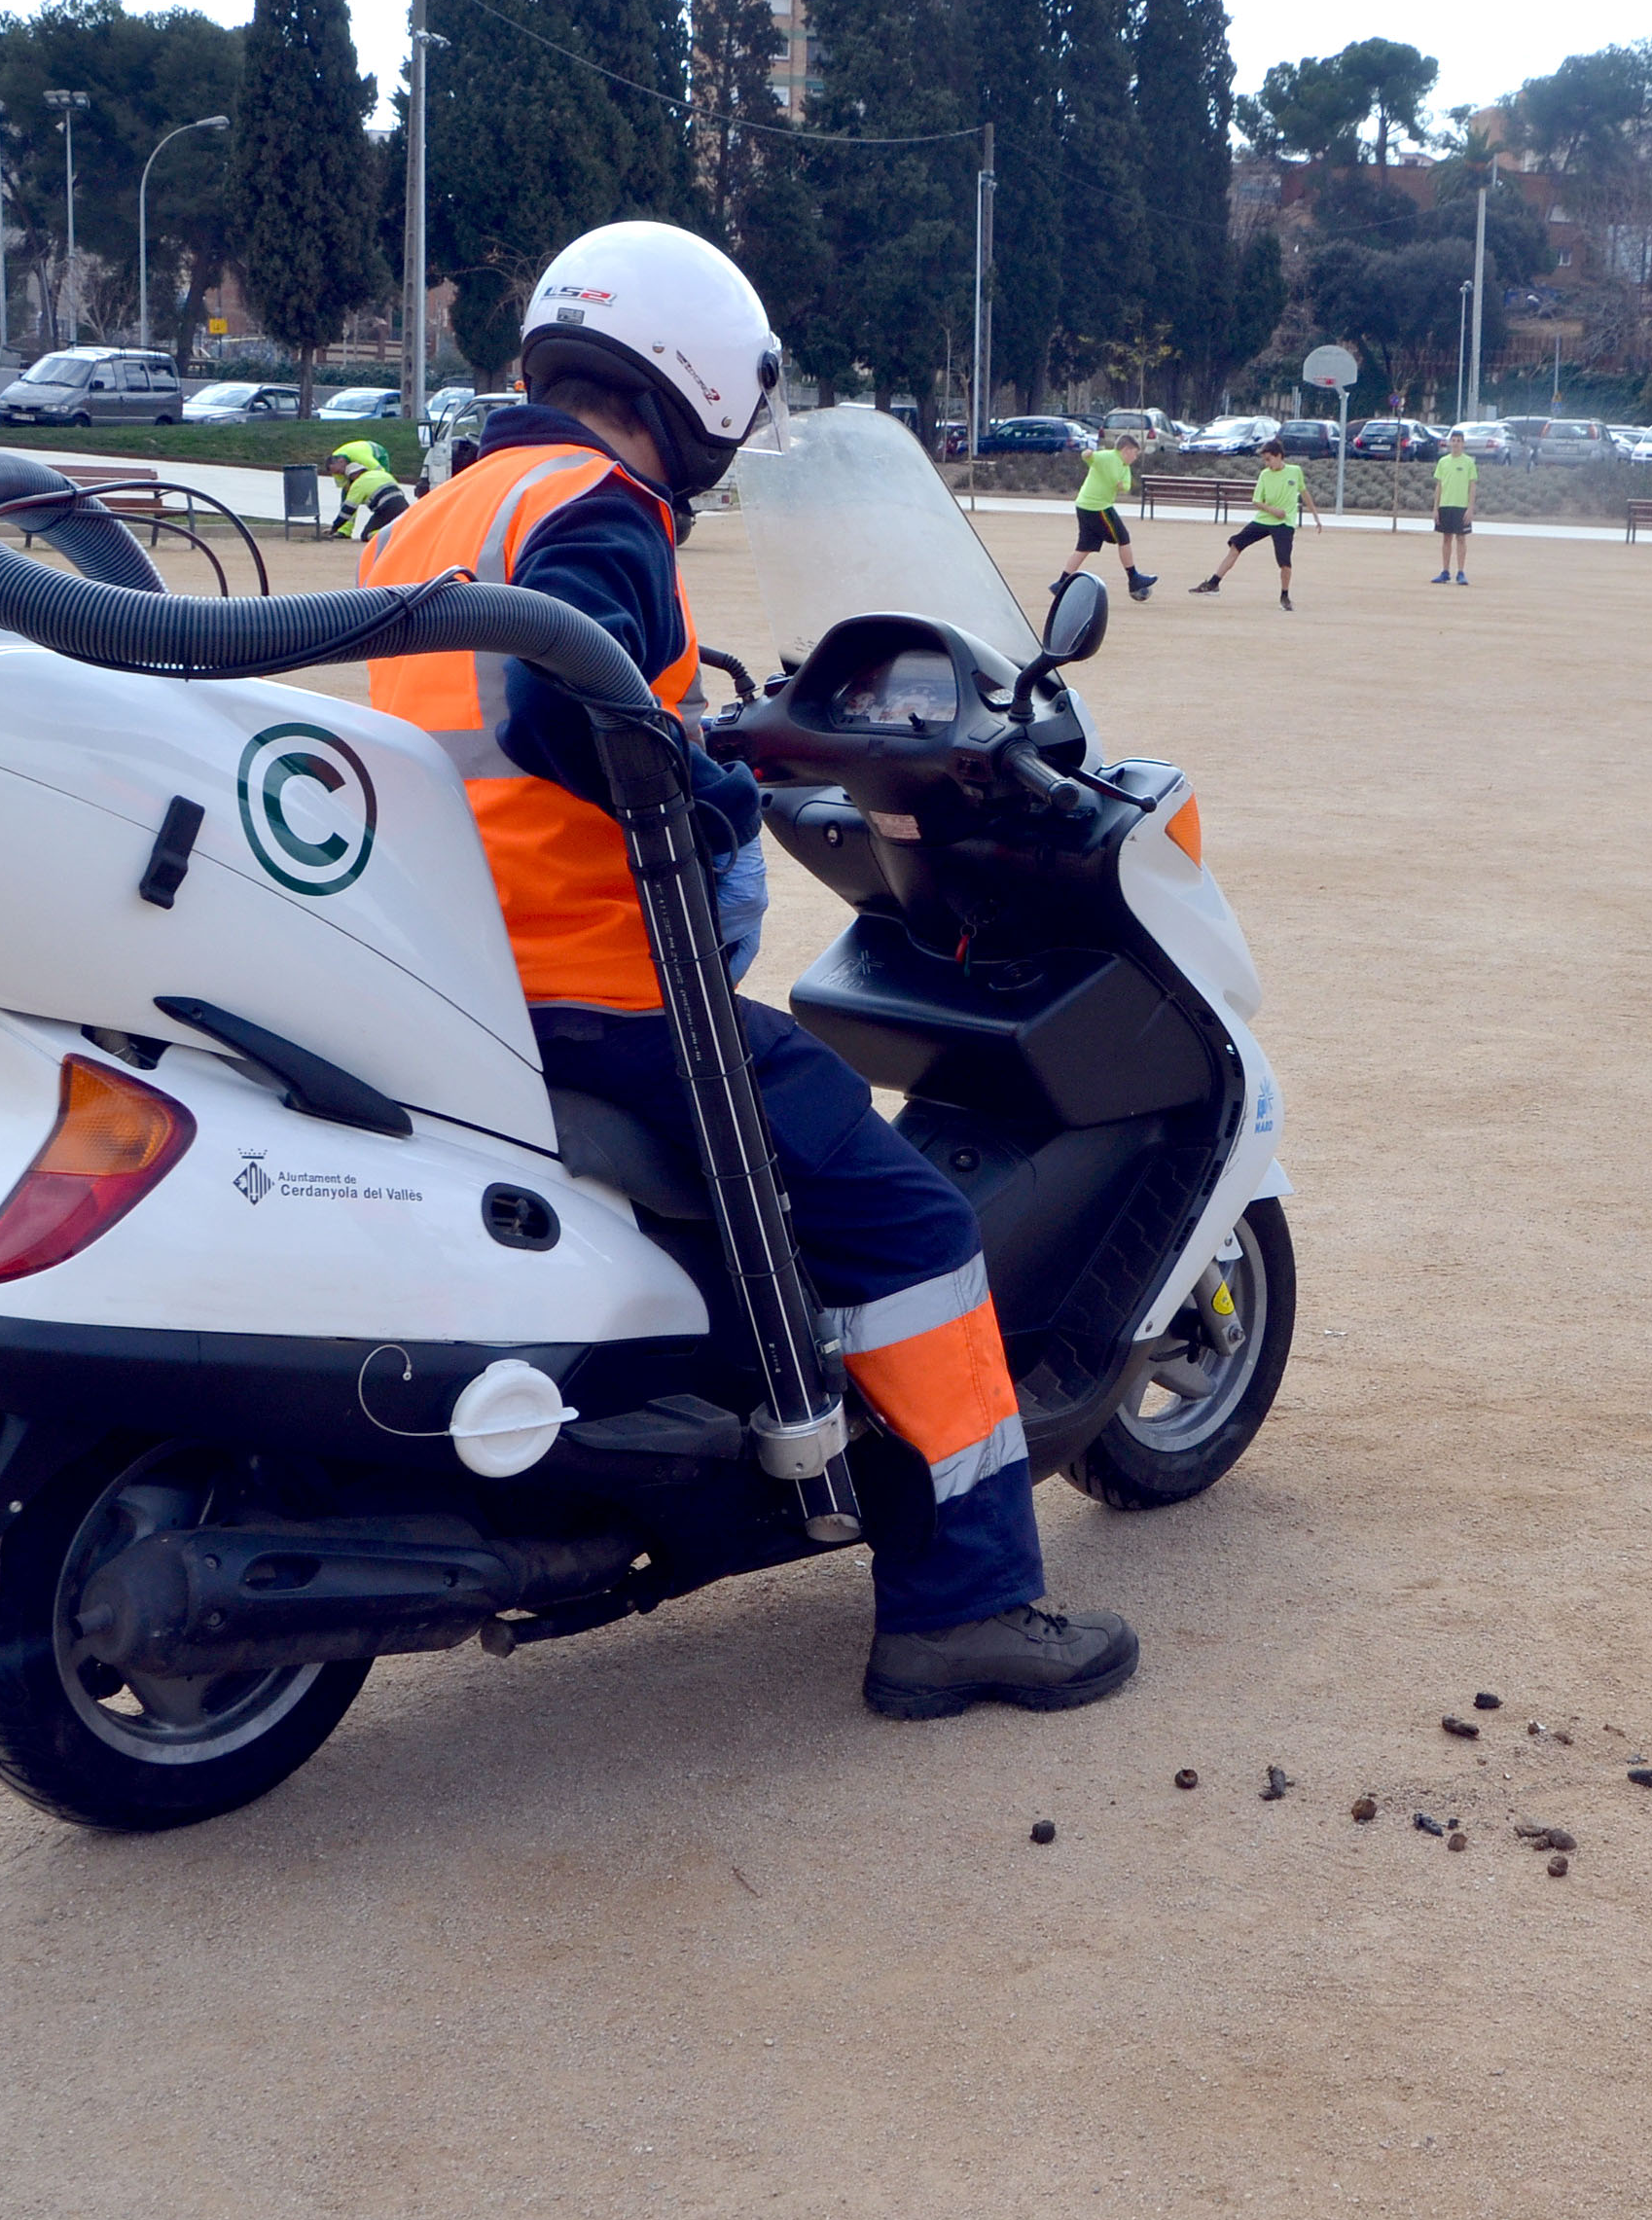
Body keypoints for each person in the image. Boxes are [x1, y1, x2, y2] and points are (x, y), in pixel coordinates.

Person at [362, 220, 1140, 1721]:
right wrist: (708, 796)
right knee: (911, 1224)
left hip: (467, 986)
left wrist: (695, 736)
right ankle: (964, 1607)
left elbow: (503, 721)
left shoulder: (441, 512)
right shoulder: (598, 503)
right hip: (612, 997)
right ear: (697, 377)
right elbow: (551, 701)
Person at [1189, 438, 1316, 609]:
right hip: (1263, 520)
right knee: (1236, 546)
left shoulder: (1295, 471)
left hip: (1285, 524)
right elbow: (1256, 501)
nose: (1266, 463)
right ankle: (1213, 584)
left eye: (1268, 459)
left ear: (1279, 456)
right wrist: (1274, 511)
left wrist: (1316, 516)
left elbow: (1304, 492)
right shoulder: (1265, 474)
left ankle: (1284, 596)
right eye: (1264, 460)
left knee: (1285, 562)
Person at [1057, 428, 1156, 601]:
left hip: (1085, 505)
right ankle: (1134, 579)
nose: (1135, 457)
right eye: (1134, 453)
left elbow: (1126, 485)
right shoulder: (1107, 456)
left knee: (1085, 546)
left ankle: (1061, 583)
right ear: (1126, 450)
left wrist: (1120, 486)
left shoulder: (1124, 466)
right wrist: (1087, 453)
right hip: (1097, 507)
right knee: (1123, 537)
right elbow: (1089, 457)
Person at [325, 440, 410, 542]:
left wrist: (334, 528)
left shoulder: (361, 472)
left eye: (341, 472)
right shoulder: (383, 476)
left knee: (367, 535)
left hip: (385, 508)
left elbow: (347, 509)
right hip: (403, 505)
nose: (340, 474)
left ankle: (391, 534)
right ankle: (345, 530)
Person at [1428, 428, 1477, 584]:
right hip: (1445, 505)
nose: (1455, 443)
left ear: (1463, 444)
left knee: (1461, 538)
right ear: (1450, 443)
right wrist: (1435, 508)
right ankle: (1445, 571)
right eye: (1453, 440)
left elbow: (1472, 486)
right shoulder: (1443, 462)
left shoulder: (1469, 462)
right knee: (1446, 538)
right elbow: (1439, 486)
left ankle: (1461, 572)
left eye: (1459, 441)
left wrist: (1470, 508)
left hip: (1461, 506)